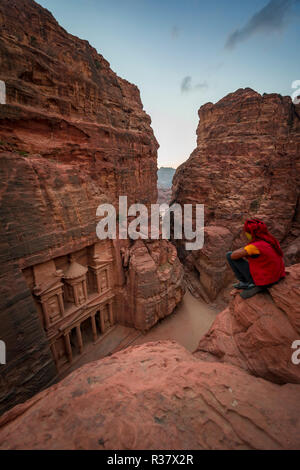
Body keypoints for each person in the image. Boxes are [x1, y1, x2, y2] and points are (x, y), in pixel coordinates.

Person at [226, 219, 286, 299]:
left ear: (250, 233)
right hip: (276, 276)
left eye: (246, 232)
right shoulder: (271, 241)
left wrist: (246, 248)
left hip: (265, 280)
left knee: (229, 255)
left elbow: (233, 256)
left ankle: (245, 282)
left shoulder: (254, 247)